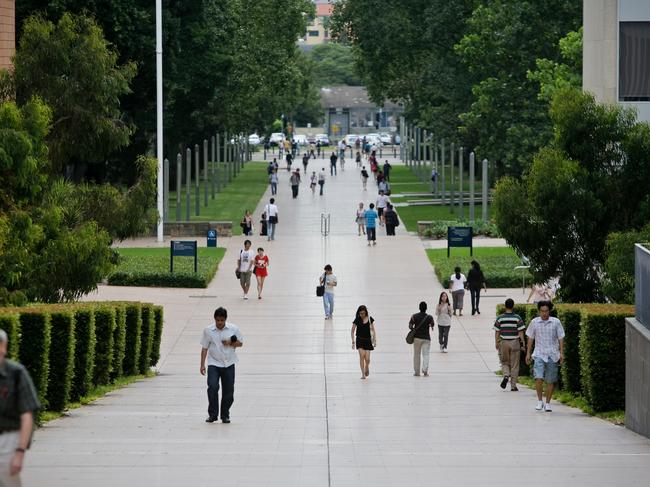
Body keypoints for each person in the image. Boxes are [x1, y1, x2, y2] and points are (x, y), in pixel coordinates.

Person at [0, 329, 40, 486]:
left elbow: (27, 414)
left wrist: (20, 451)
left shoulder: (16, 373)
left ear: (4, 347)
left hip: (8, 440)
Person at [200, 307, 244, 424]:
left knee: (228, 391)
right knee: (213, 387)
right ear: (214, 319)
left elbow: (241, 343)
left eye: (222, 320)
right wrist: (202, 365)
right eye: (217, 320)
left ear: (225, 319)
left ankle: (225, 414)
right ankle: (213, 414)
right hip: (214, 363)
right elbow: (204, 348)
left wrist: (231, 342)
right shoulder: (208, 330)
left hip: (229, 363)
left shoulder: (233, 329)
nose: (219, 323)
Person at [525, 301, 565, 412]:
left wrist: (561, 353)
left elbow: (561, 338)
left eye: (546, 311)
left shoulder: (556, 322)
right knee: (538, 377)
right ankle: (539, 401)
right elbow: (530, 338)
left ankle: (547, 403)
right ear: (539, 311)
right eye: (542, 311)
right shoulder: (534, 322)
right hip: (539, 353)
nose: (544, 313)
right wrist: (528, 353)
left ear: (549, 311)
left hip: (552, 354)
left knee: (550, 380)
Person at [494, 298, 525, 391]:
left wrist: (496, 342)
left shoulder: (500, 318)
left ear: (505, 306)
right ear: (513, 306)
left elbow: (497, 332)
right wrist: (523, 343)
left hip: (504, 342)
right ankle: (513, 386)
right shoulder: (517, 318)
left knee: (504, 362)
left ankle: (506, 375)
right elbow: (520, 332)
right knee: (515, 364)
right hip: (515, 342)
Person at [409, 302, 435, 376]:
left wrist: (413, 329)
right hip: (426, 338)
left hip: (417, 338)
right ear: (426, 308)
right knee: (426, 354)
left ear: (419, 308)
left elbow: (410, 325)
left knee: (416, 355)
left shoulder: (414, 316)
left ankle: (417, 372)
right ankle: (425, 370)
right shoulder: (429, 317)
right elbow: (432, 324)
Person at [351, 305, 377, 379]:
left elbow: (373, 330)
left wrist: (374, 340)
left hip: (368, 340)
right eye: (360, 313)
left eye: (363, 313)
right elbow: (352, 331)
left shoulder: (369, 319)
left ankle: (367, 366)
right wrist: (353, 341)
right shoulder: (357, 319)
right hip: (359, 339)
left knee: (367, 358)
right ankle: (363, 374)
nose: (362, 315)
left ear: (366, 312)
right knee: (362, 356)